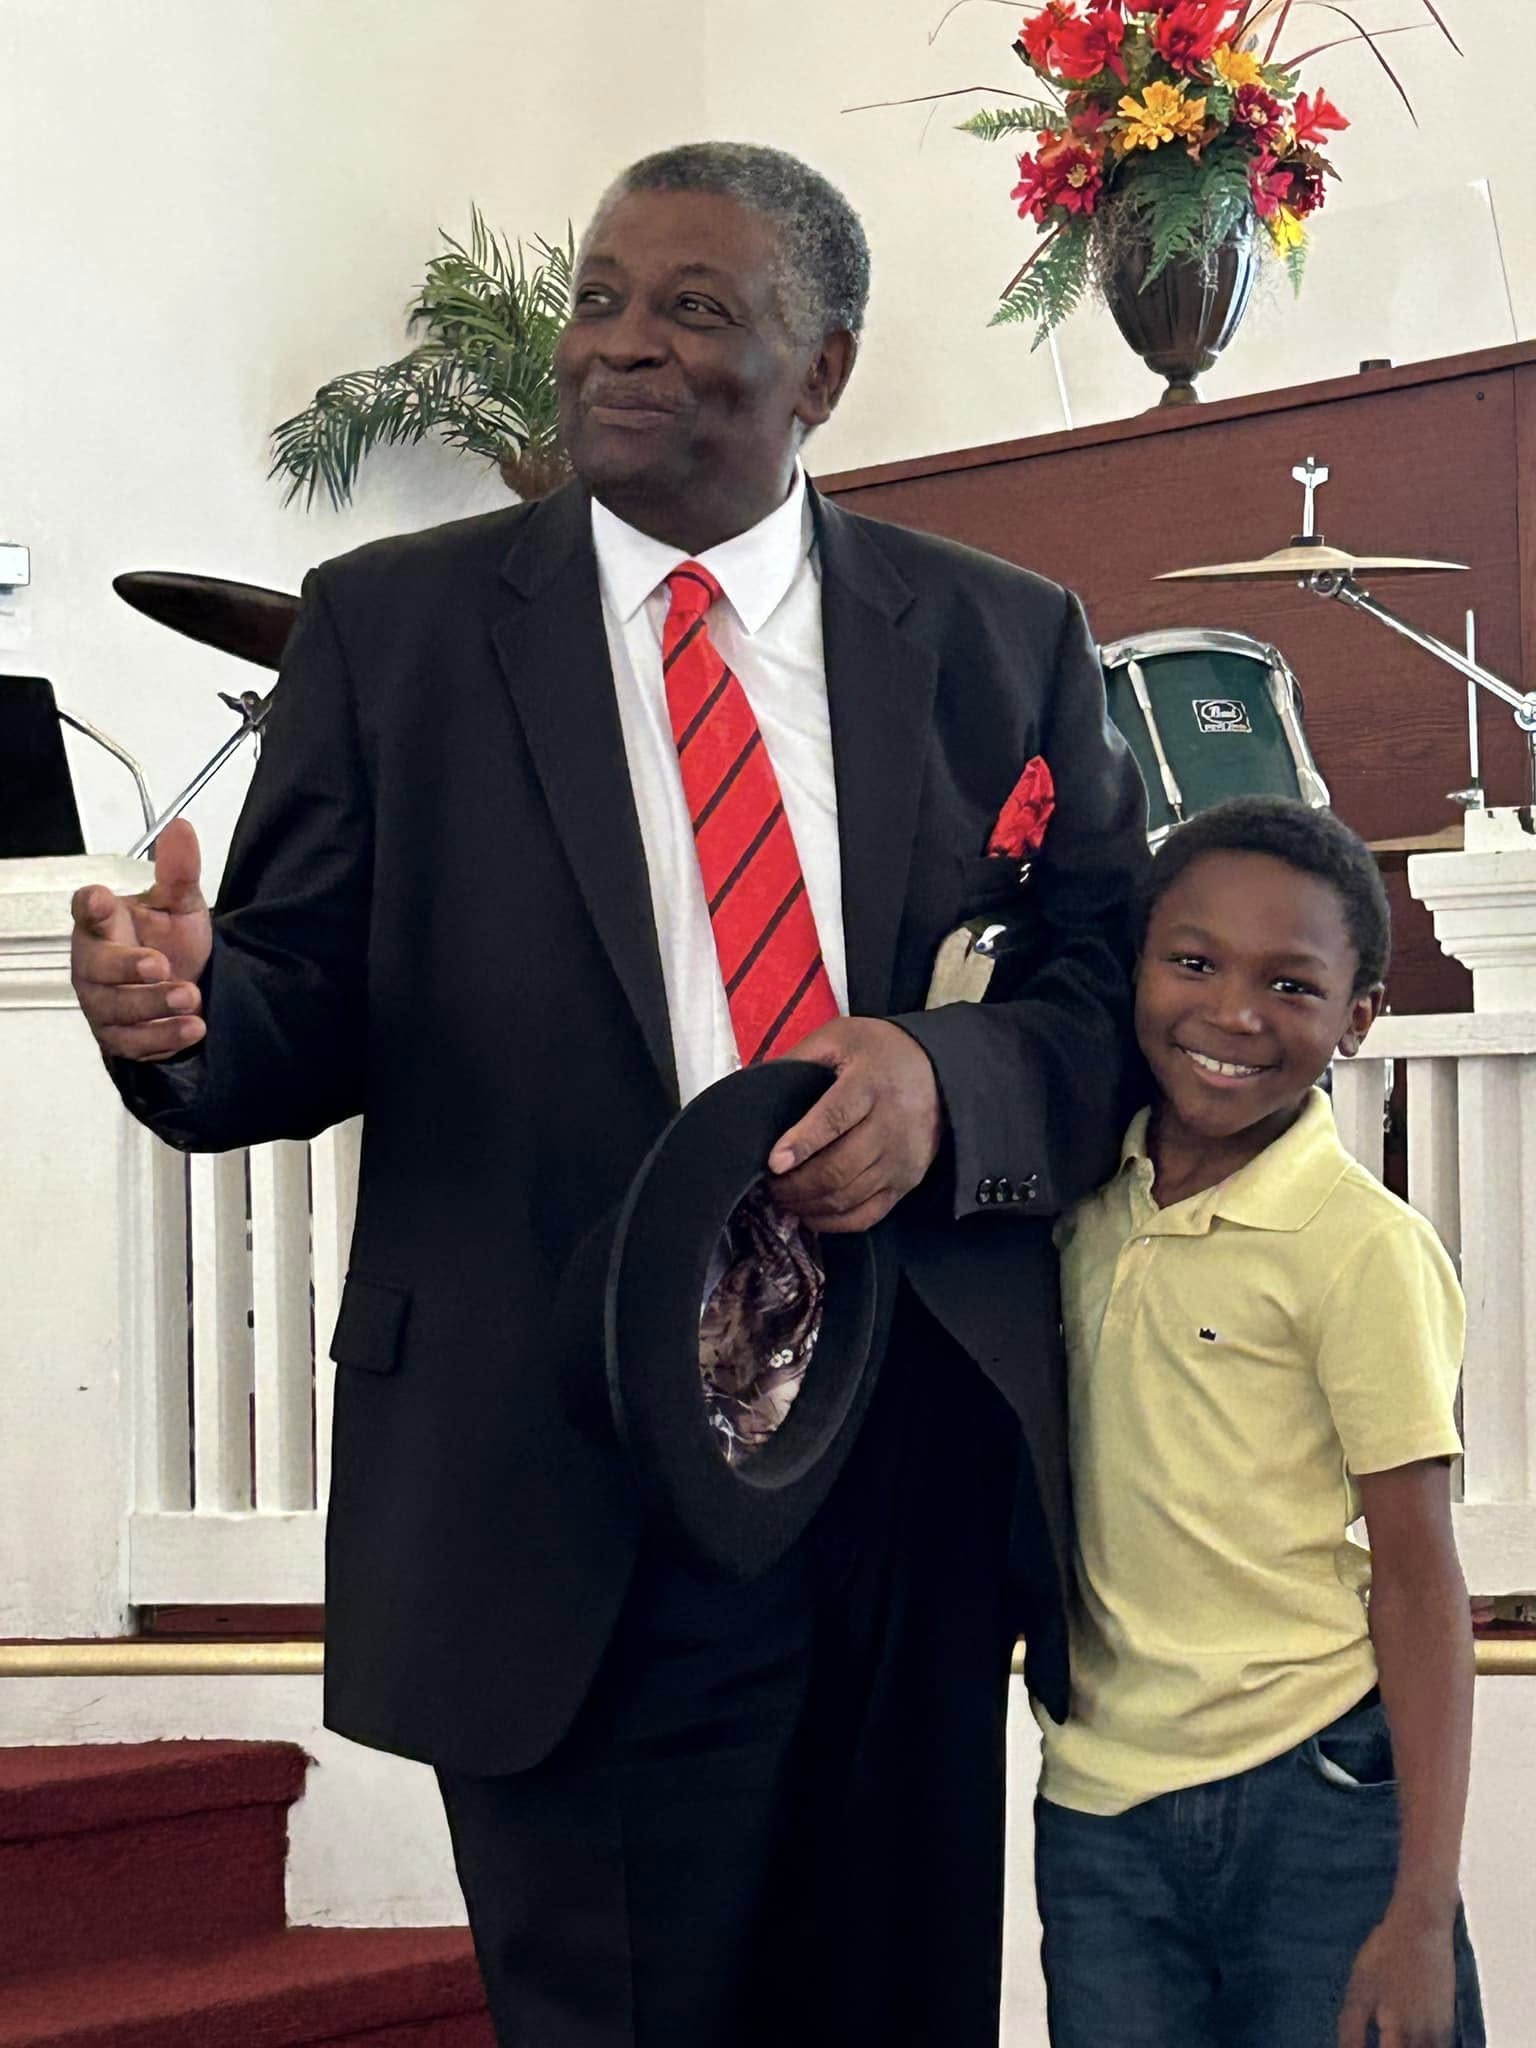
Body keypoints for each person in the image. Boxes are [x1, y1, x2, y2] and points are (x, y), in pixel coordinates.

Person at [69, 142, 1148, 2047]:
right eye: (598, 299)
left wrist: (943, 1075)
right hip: (563, 1461)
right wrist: (181, 1016)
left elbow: (1101, 984)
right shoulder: (393, 629)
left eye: (694, 308)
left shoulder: (1001, 633)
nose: (616, 345)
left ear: (822, 370)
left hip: (901, 1458)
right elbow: (297, 1002)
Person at [1035, 795, 1484, 2048]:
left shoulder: (1360, 1248)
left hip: (1318, 1793)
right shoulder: (1077, 1208)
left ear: (1359, 1015)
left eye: (1290, 984)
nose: (1234, 1013)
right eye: (1194, 962)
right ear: (1135, 966)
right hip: (1101, 1811)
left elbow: (1420, 1577)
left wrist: (1420, 1905)